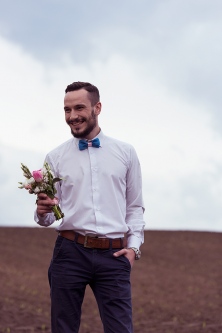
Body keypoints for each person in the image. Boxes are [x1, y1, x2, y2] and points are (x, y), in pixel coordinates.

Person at [35, 81, 145, 333]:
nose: (72, 116)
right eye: (66, 110)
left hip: (114, 255)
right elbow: (49, 215)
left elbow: (135, 207)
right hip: (69, 253)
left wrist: (134, 248)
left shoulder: (125, 153)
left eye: (79, 108)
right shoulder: (55, 157)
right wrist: (42, 212)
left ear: (97, 108)